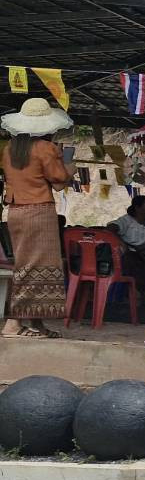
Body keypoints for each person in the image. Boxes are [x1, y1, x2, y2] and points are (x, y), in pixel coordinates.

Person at [1, 98, 73, 338]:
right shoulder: (45, 148)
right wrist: (68, 168)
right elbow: (59, 180)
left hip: (16, 211)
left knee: (31, 265)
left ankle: (36, 322)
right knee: (36, 267)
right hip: (39, 212)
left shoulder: (9, 149)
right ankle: (13, 324)